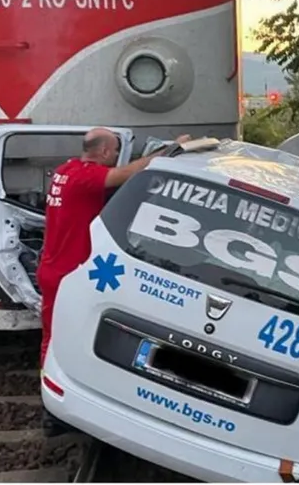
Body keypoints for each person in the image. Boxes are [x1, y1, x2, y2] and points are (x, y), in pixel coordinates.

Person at [37, 128, 190, 434]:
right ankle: (54, 412)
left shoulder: (64, 172)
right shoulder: (86, 178)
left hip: (54, 267)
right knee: (64, 339)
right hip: (71, 273)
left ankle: (57, 403)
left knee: (52, 336)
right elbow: (129, 173)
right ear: (105, 151)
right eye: (115, 150)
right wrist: (173, 149)